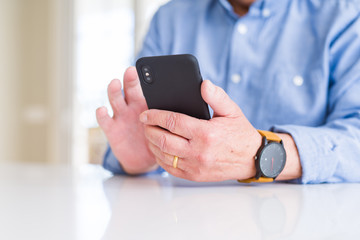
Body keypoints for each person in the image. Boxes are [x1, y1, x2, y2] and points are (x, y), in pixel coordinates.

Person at [96, 0, 360, 184]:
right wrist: (143, 158)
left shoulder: (346, 17)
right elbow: (139, 125)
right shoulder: (170, 19)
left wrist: (259, 153)